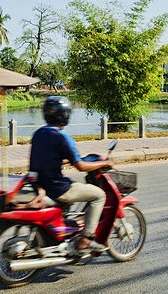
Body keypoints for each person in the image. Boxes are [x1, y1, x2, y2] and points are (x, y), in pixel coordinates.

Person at [28, 96, 111, 252]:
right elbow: (80, 166)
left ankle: (65, 233)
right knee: (99, 195)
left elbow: (46, 158)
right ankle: (86, 239)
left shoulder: (38, 134)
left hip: (40, 185)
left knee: (72, 187)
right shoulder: (62, 137)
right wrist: (104, 163)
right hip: (58, 188)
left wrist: (63, 161)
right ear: (64, 115)